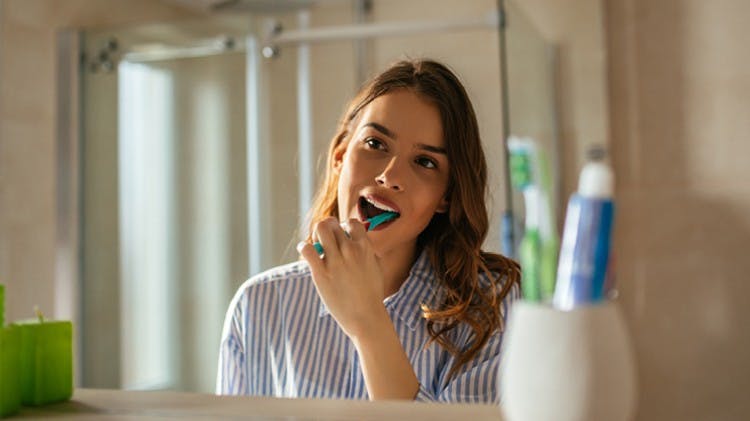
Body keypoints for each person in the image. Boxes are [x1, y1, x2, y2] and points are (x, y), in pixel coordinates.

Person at [216, 59, 521, 403]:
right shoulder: (259, 304)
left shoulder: (491, 311)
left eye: (425, 162)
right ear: (340, 156)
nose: (390, 175)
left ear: (445, 197)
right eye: (376, 144)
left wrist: (369, 325)